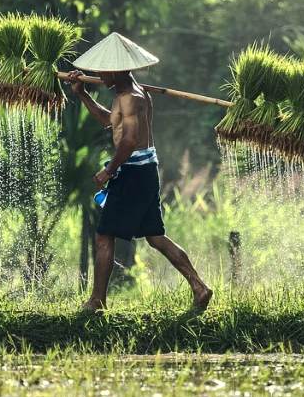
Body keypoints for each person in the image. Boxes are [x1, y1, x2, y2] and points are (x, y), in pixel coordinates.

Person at [65, 32, 213, 313]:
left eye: (103, 69)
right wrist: (82, 94)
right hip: (143, 170)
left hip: (134, 172)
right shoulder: (126, 95)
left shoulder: (132, 97)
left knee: (104, 234)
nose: (98, 73)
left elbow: (129, 141)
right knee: (155, 236)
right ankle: (199, 287)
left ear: (118, 69)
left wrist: (109, 170)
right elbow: (111, 123)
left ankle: (97, 301)